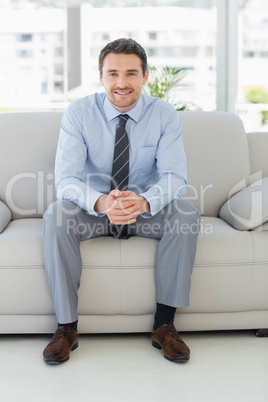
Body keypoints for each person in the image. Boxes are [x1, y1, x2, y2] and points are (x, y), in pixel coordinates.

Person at [43, 38, 200, 365]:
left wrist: (143, 201)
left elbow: (175, 177)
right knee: (57, 215)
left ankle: (164, 325)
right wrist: (101, 202)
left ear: (144, 76)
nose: (121, 83)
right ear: (101, 77)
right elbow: (67, 180)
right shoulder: (79, 114)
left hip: (144, 211)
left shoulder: (164, 115)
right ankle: (66, 328)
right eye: (112, 73)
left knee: (185, 211)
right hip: (95, 211)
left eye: (131, 73)